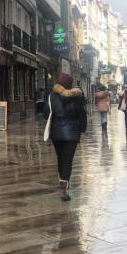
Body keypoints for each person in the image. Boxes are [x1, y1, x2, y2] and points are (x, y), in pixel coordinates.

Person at [44, 73, 87, 201]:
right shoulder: (78, 97)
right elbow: (82, 114)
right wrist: (83, 128)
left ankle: (62, 181)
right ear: (70, 84)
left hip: (56, 133)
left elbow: (46, 114)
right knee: (68, 160)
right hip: (72, 133)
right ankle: (64, 186)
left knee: (60, 157)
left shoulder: (52, 96)